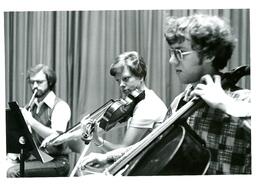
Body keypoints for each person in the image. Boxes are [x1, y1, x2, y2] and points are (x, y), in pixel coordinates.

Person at [79, 14, 251, 175]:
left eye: (179, 52)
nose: (172, 60)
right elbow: (153, 145)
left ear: (209, 54)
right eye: (171, 53)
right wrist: (108, 158)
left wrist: (227, 104)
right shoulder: (180, 102)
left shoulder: (244, 101)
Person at [7, 64, 71, 177]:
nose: (35, 86)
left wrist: (30, 121)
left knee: (13, 172)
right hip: (41, 159)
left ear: (50, 82)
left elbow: (56, 136)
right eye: (32, 82)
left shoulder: (60, 106)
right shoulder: (32, 107)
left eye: (39, 82)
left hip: (58, 162)